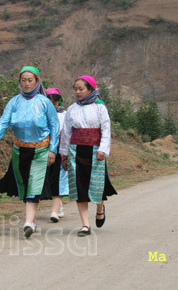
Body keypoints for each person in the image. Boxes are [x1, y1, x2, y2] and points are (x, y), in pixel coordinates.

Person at [0, 66, 59, 238]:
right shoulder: (14, 102)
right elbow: (4, 121)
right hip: (19, 149)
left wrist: (53, 150)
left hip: (41, 149)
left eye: (30, 80)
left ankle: (27, 223)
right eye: (23, 80)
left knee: (35, 183)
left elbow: (55, 126)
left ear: (37, 81)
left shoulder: (45, 102)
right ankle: (32, 220)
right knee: (25, 185)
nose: (26, 84)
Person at [60, 75, 117, 236]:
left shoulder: (100, 107)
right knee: (80, 187)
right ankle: (85, 225)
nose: (78, 92)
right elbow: (66, 133)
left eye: (81, 89)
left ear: (90, 89)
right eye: (76, 89)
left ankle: (100, 208)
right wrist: (64, 155)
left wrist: (103, 149)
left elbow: (106, 129)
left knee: (96, 186)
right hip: (75, 150)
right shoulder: (72, 109)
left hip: (94, 151)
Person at [45, 88, 69, 223]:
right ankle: (59, 206)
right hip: (45, 150)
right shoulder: (42, 114)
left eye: (54, 102)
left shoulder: (65, 115)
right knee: (49, 178)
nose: (52, 105)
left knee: (59, 179)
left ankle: (55, 210)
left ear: (59, 101)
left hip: (60, 151)